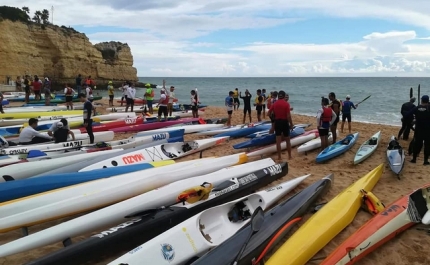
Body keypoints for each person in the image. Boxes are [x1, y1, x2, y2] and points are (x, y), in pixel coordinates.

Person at [267, 90, 293, 161]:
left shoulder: (275, 104)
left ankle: (279, 157)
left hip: (277, 122)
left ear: (278, 96)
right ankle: (290, 156)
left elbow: (268, 113)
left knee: (278, 141)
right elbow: (288, 116)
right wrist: (291, 124)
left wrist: (274, 119)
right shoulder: (286, 104)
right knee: (287, 140)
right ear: (284, 96)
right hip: (285, 122)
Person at [406, 95, 430, 165]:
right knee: (427, 145)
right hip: (428, 130)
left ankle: (414, 159)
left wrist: (414, 119)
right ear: (428, 101)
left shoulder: (417, 108)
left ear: (421, 100)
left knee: (417, 144)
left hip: (418, 129)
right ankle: (425, 161)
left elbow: (407, 114)